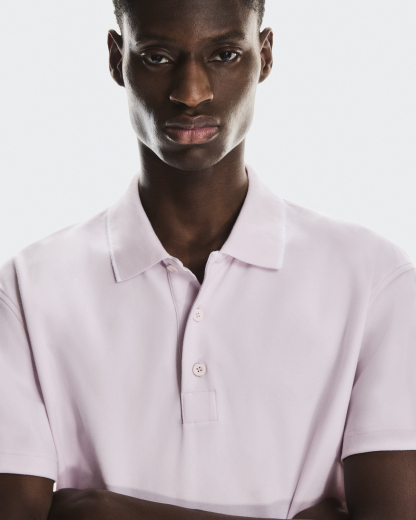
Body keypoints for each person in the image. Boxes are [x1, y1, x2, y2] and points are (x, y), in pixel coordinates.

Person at [0, 0, 416, 519]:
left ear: (264, 55)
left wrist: (102, 512)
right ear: (116, 58)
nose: (191, 92)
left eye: (224, 54)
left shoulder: (374, 279)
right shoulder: (26, 289)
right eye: (157, 57)